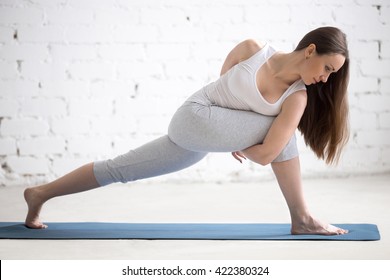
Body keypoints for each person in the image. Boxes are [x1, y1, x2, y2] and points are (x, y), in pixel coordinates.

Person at [24, 26, 350, 235]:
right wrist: (235, 132)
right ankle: (302, 218)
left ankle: (39, 194)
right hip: (195, 117)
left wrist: (235, 135)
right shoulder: (252, 48)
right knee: (282, 133)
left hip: (201, 139)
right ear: (310, 50)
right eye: (326, 68)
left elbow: (266, 155)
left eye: (332, 74)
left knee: (119, 168)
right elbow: (221, 84)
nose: (325, 78)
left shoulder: (297, 98)